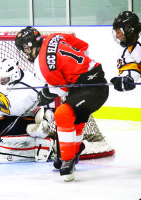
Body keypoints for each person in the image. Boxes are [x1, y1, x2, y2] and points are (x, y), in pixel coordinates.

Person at [15, 26, 109, 181]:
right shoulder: (54, 36)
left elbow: (62, 89)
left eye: (24, 48)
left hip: (91, 88)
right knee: (76, 119)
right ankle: (74, 151)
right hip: (94, 79)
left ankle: (68, 161)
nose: (25, 53)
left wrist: (47, 94)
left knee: (62, 114)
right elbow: (83, 46)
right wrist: (79, 70)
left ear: (29, 45)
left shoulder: (41, 65)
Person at [109, 11, 141, 199]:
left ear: (130, 28)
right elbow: (129, 74)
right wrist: (123, 81)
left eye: (119, 31)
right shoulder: (127, 51)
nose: (117, 35)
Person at [110, 11, 141, 91]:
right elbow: (130, 69)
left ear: (128, 29)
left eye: (118, 32)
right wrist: (126, 79)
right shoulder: (126, 49)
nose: (117, 36)